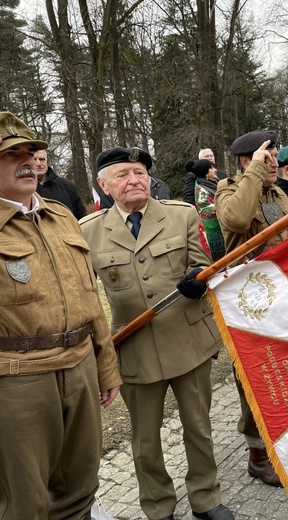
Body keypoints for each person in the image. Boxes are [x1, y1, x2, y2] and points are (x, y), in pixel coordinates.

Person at [80, 147, 234, 520]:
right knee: (145, 440)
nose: (134, 180)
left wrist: (201, 278)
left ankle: (206, 498)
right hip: (133, 348)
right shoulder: (88, 232)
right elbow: (85, 297)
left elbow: (203, 263)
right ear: (102, 184)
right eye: (122, 175)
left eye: (139, 172)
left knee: (198, 427)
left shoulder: (181, 214)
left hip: (188, 341)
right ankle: (158, 505)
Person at [0, 112, 121, 519]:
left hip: (80, 366)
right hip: (17, 381)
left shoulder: (60, 214)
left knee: (80, 484)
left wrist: (105, 365)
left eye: (32, 152)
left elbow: (89, 296)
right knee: (25, 499)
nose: (29, 161)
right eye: (12, 153)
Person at [215, 130, 288, 487]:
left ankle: (281, 438)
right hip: (248, 303)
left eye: (276, 155)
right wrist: (255, 175)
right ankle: (256, 454)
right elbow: (234, 220)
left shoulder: (276, 192)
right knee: (251, 375)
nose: (276, 162)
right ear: (248, 161)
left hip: (283, 294)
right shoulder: (229, 190)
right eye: (269, 156)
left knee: (286, 368)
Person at [187, 159, 225, 261]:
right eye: (211, 168)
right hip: (213, 234)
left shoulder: (212, 183)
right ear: (205, 173)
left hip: (222, 228)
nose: (215, 170)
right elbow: (206, 210)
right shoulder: (201, 190)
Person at [33, 149, 88, 219]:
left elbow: (82, 219)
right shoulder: (22, 192)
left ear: (47, 161)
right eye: (34, 159)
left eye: (42, 159)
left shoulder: (68, 187)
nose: (38, 163)